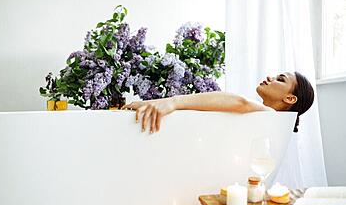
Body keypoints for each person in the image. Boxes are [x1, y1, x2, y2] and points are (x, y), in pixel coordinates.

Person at [122, 72, 314, 134]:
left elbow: (240, 102)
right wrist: (152, 103)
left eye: (280, 79)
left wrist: (173, 102)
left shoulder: (270, 117)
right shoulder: (260, 119)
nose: (270, 77)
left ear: (290, 98)